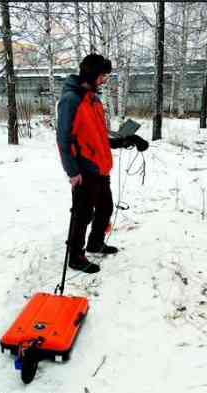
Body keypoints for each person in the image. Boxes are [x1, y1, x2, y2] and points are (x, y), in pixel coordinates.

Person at [56, 53, 148, 274]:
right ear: (91, 75)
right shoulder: (71, 100)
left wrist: (125, 140)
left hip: (100, 167)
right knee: (82, 214)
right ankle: (76, 256)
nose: (105, 79)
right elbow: (63, 139)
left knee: (105, 208)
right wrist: (72, 171)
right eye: (103, 75)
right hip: (84, 170)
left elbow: (97, 137)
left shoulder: (93, 100)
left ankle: (95, 243)